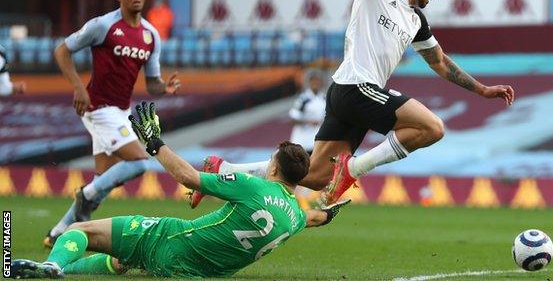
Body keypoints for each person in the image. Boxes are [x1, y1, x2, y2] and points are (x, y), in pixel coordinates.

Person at [191, 0, 514, 207]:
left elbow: (440, 62)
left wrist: (483, 90)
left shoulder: (416, 19)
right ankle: (354, 170)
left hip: (349, 95)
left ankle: (220, 170)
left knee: (314, 176)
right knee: (432, 128)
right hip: (356, 86)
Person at [10, 102, 350, 279]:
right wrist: (331, 209)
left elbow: (188, 176)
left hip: (171, 241)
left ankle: (54, 266)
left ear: (274, 167)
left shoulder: (254, 186)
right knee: (121, 260)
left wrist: (155, 143)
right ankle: (64, 270)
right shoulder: (293, 217)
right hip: (198, 270)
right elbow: (314, 219)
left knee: (78, 229)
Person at [44, 0, 181, 247]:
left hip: (119, 109)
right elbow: (62, 50)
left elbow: (151, 82)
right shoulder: (103, 25)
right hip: (96, 106)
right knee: (140, 162)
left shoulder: (151, 35)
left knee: (102, 183)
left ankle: (58, 232)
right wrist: (78, 86)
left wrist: (164, 87)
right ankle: (86, 193)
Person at [289, 69, 326, 155]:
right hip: (302, 142)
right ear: (309, 82)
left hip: (317, 142)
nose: (315, 83)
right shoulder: (303, 99)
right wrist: (309, 121)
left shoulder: (324, 99)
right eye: (313, 81)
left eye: (317, 81)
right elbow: (293, 119)